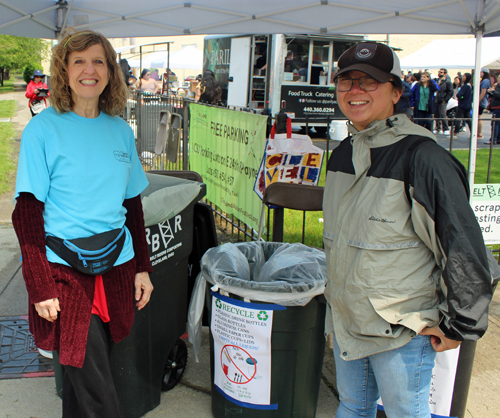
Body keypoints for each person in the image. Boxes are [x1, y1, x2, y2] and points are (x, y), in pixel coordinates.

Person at [324, 41, 491, 418]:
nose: (355, 91)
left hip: (402, 328)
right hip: (349, 320)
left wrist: (459, 324)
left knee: (405, 413)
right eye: (346, 82)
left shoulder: (424, 158)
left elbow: (463, 247)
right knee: (352, 406)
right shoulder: (343, 153)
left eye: (369, 82)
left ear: (397, 92)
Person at [12, 29, 154, 418]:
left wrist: (143, 266)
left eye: (98, 61)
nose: (88, 70)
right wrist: (39, 285)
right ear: (64, 71)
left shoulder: (120, 131)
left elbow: (133, 206)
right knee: (97, 393)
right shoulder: (44, 129)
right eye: (78, 61)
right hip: (63, 276)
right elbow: (26, 213)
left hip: (116, 269)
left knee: (79, 390)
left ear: (110, 71)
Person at [453, 72, 473, 137]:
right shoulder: (470, 85)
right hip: (468, 105)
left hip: (462, 105)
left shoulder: (465, 86)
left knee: (458, 119)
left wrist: (458, 95)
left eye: (464, 76)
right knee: (468, 120)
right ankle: (472, 132)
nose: (463, 78)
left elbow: (460, 94)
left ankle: (455, 133)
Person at [434, 68, 453, 134]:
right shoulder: (436, 81)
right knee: (436, 114)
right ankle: (438, 127)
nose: (439, 73)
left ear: (445, 74)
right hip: (436, 99)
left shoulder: (447, 82)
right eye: (439, 72)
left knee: (442, 114)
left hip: (442, 99)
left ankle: (446, 128)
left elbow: (450, 92)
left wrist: (445, 99)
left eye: (441, 72)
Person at [485, 73, 500, 145]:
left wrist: (493, 91)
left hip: (498, 107)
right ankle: (497, 138)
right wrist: (490, 92)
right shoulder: (497, 86)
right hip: (495, 106)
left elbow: (498, 95)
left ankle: (494, 138)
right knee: (497, 123)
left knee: (495, 123)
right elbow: (495, 95)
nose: (498, 79)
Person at [477, 67, 491, 139]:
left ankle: (479, 133)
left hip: (481, 102)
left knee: (479, 117)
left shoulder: (485, 81)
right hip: (482, 101)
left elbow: (483, 93)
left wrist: (477, 101)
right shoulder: (485, 80)